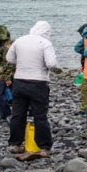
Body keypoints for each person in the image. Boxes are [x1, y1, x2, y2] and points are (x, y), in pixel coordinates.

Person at [6, 21, 58, 155]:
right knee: (40, 116)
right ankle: (44, 147)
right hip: (38, 83)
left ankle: (15, 144)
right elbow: (51, 64)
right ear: (47, 32)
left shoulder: (19, 40)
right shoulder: (45, 43)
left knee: (17, 114)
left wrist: (24, 63)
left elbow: (9, 58)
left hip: (19, 81)